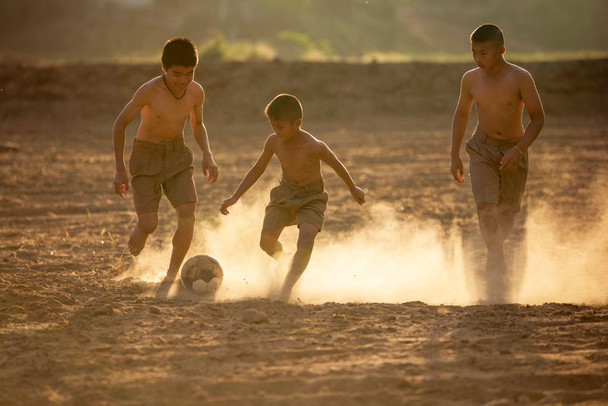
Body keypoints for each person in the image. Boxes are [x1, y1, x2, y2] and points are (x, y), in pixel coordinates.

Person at [220, 94, 365, 302]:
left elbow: (337, 165)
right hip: (285, 194)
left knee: (306, 239)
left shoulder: (315, 146)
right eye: (272, 126)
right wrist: (235, 197)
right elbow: (258, 169)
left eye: (280, 127)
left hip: (312, 198)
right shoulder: (273, 142)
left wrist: (353, 188)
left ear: (298, 123)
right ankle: (287, 260)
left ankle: (287, 287)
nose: (275, 131)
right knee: (266, 243)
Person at [112, 37, 218, 293]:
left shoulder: (196, 92)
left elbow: (197, 124)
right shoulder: (149, 91)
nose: (183, 80)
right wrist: (119, 169)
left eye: (190, 73)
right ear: (164, 67)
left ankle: (171, 276)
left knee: (188, 214)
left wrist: (207, 154)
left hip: (176, 156)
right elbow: (120, 124)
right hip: (146, 156)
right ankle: (142, 228)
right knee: (150, 224)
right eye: (177, 74)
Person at [450, 24, 545, 302]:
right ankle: (496, 262)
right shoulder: (469, 79)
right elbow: (461, 115)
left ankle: (495, 256)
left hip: (513, 149)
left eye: (483, 52)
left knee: (507, 213)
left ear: (501, 51)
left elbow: (538, 118)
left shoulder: (520, 78)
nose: (477, 58)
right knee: (485, 206)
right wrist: (454, 153)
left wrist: (519, 150)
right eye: (473, 52)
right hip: (481, 147)